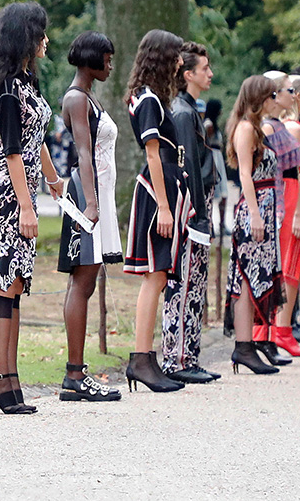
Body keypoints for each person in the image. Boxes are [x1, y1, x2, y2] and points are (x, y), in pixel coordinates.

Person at [0, 3, 65, 413]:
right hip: (8, 191)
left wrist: (53, 178)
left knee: (14, 282)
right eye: (41, 33)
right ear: (25, 37)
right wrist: (27, 206)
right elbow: (12, 151)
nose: (46, 40)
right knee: (3, 278)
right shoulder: (8, 89)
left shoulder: (28, 83)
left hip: (24, 186)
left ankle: (9, 379)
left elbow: (36, 138)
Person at [55, 32, 123, 402]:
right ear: (91, 59)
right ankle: (75, 374)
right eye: (107, 59)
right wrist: (92, 204)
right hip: (86, 194)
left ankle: (77, 373)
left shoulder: (89, 96)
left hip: (99, 192)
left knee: (88, 281)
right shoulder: (76, 98)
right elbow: (84, 152)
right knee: (81, 282)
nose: (110, 66)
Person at [121, 29, 189, 392]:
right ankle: (141, 359)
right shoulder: (148, 100)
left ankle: (146, 359)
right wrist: (163, 205)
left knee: (159, 275)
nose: (180, 62)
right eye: (175, 56)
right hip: (156, 190)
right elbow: (152, 154)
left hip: (165, 187)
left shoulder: (150, 97)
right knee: (155, 275)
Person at [160, 42, 221, 382]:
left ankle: (188, 356)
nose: (210, 74)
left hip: (197, 206)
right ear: (188, 74)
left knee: (195, 283)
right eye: (204, 69)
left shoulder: (189, 109)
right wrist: (197, 215)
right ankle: (177, 359)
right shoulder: (183, 113)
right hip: (190, 208)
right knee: (184, 284)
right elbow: (188, 169)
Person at [225, 74, 287, 374]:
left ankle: (247, 345)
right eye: (271, 95)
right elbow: (245, 174)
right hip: (254, 209)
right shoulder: (246, 128)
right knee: (246, 278)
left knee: (253, 278)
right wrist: (255, 214)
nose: (275, 100)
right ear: (259, 98)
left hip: (264, 207)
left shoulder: (257, 128)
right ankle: (244, 346)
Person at [270, 73, 300, 354]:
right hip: (292, 196)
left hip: (298, 194)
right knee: (291, 261)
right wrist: (298, 211)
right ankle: (282, 329)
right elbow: (289, 171)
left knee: (295, 262)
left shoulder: (293, 126)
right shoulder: (293, 128)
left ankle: (283, 327)